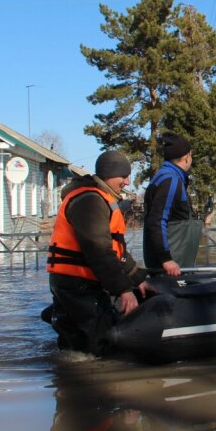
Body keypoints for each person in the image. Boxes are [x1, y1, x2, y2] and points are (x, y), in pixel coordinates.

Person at [46, 150, 151, 354]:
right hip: (76, 284)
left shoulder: (100, 199)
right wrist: (123, 290)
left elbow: (115, 250)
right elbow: (99, 251)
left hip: (80, 282)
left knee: (80, 340)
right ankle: (83, 377)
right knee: (97, 343)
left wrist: (137, 278)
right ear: (109, 174)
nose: (127, 182)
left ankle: (66, 374)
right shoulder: (89, 202)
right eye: (123, 176)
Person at [143, 133, 201, 277]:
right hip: (171, 266)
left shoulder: (164, 176)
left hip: (175, 261)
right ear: (188, 156)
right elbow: (157, 221)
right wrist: (166, 259)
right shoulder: (170, 180)